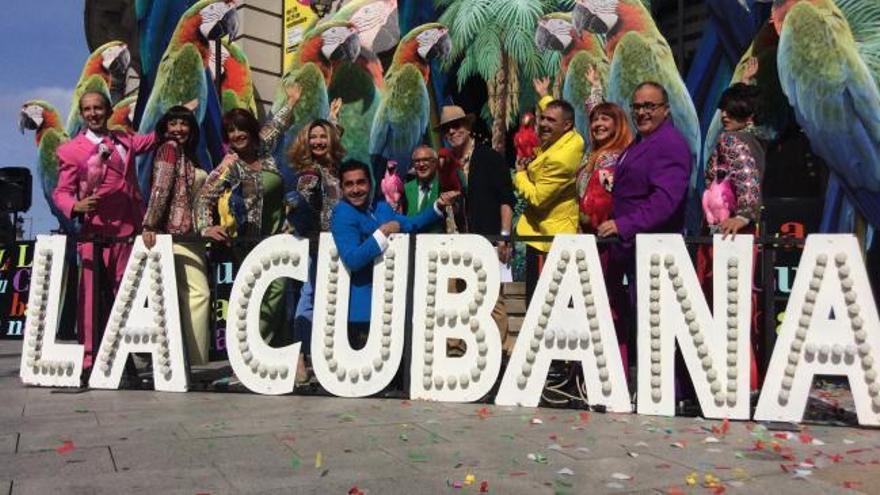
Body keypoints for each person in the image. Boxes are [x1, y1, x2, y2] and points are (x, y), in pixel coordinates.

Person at [53, 91, 157, 380]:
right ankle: (89, 360)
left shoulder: (124, 139)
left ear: (109, 110)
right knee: (89, 298)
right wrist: (74, 206)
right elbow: (60, 191)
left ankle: (124, 358)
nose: (93, 113)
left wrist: (175, 116)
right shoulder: (71, 150)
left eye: (98, 108)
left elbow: (150, 139)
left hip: (128, 232)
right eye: (87, 109)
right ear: (82, 113)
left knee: (127, 295)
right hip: (95, 234)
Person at [597, 81, 691, 383]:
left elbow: (666, 201)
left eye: (649, 106)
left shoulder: (670, 144)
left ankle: (669, 391)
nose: (642, 112)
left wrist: (624, 224)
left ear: (665, 109)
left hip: (655, 249)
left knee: (659, 326)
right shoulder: (639, 142)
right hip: (632, 251)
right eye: (637, 106)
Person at [196, 84, 302, 347]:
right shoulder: (230, 165)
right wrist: (205, 228)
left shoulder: (263, 148)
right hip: (248, 244)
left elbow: (277, 124)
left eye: (241, 128)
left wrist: (291, 101)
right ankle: (248, 349)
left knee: (278, 291)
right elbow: (204, 198)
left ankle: (269, 352)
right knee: (263, 293)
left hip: (278, 238)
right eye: (231, 131)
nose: (237, 134)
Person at [331, 160, 458, 344]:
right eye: (349, 184)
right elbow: (353, 259)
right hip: (362, 313)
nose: (356, 189)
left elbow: (411, 224)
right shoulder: (342, 214)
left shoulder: (380, 207)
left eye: (361, 182)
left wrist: (438, 205)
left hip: (391, 305)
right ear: (342, 188)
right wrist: (383, 233)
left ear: (371, 183)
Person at [698, 81, 765, 391]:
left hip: (728, 236)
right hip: (733, 234)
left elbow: (748, 183)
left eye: (732, 110)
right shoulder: (751, 140)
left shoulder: (733, 141)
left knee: (727, 307)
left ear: (748, 114)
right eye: (723, 109)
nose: (724, 115)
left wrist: (743, 215)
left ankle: (735, 383)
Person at [439, 105, 515, 353]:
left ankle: (498, 352)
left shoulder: (490, 158)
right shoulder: (446, 165)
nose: (452, 131)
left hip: (487, 240)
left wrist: (504, 238)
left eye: (457, 125)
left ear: (469, 126)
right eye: (447, 128)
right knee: (453, 297)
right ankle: (454, 350)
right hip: (455, 243)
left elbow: (506, 200)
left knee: (493, 299)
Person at [141, 105, 210, 366]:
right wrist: (150, 224)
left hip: (192, 236)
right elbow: (160, 187)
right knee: (198, 294)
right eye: (173, 124)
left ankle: (184, 358)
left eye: (184, 124)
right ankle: (192, 359)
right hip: (175, 234)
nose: (179, 129)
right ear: (165, 128)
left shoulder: (189, 155)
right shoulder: (169, 149)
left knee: (182, 296)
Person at [285, 112, 346, 383]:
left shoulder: (333, 169)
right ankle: (299, 355)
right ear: (305, 143)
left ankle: (318, 356)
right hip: (316, 246)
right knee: (309, 298)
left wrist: (333, 122)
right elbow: (302, 204)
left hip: (335, 246)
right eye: (313, 137)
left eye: (323, 136)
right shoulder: (310, 172)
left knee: (326, 300)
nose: (318, 141)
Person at [517, 78, 584, 303]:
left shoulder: (561, 159)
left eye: (550, 121)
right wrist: (544, 95)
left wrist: (520, 176)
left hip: (548, 239)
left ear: (566, 126)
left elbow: (538, 198)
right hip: (541, 234)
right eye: (542, 118)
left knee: (544, 304)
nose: (543, 124)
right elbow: (558, 114)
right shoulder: (571, 137)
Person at [576, 66, 633, 233]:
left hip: (605, 233)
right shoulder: (595, 153)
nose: (598, 124)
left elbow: (607, 200)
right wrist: (595, 86)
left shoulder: (613, 157)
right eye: (594, 121)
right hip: (586, 231)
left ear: (617, 124)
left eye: (605, 119)